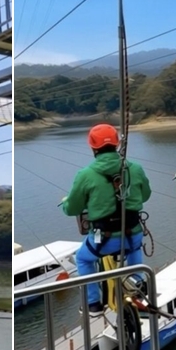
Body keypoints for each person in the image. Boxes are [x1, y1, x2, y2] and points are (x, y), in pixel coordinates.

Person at [61, 124, 151, 314]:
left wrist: (67, 203)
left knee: (83, 259)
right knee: (134, 247)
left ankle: (93, 303)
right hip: (132, 233)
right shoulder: (134, 168)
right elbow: (145, 195)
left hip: (104, 239)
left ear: (93, 147)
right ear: (117, 144)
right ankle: (138, 285)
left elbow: (73, 208)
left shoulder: (85, 175)